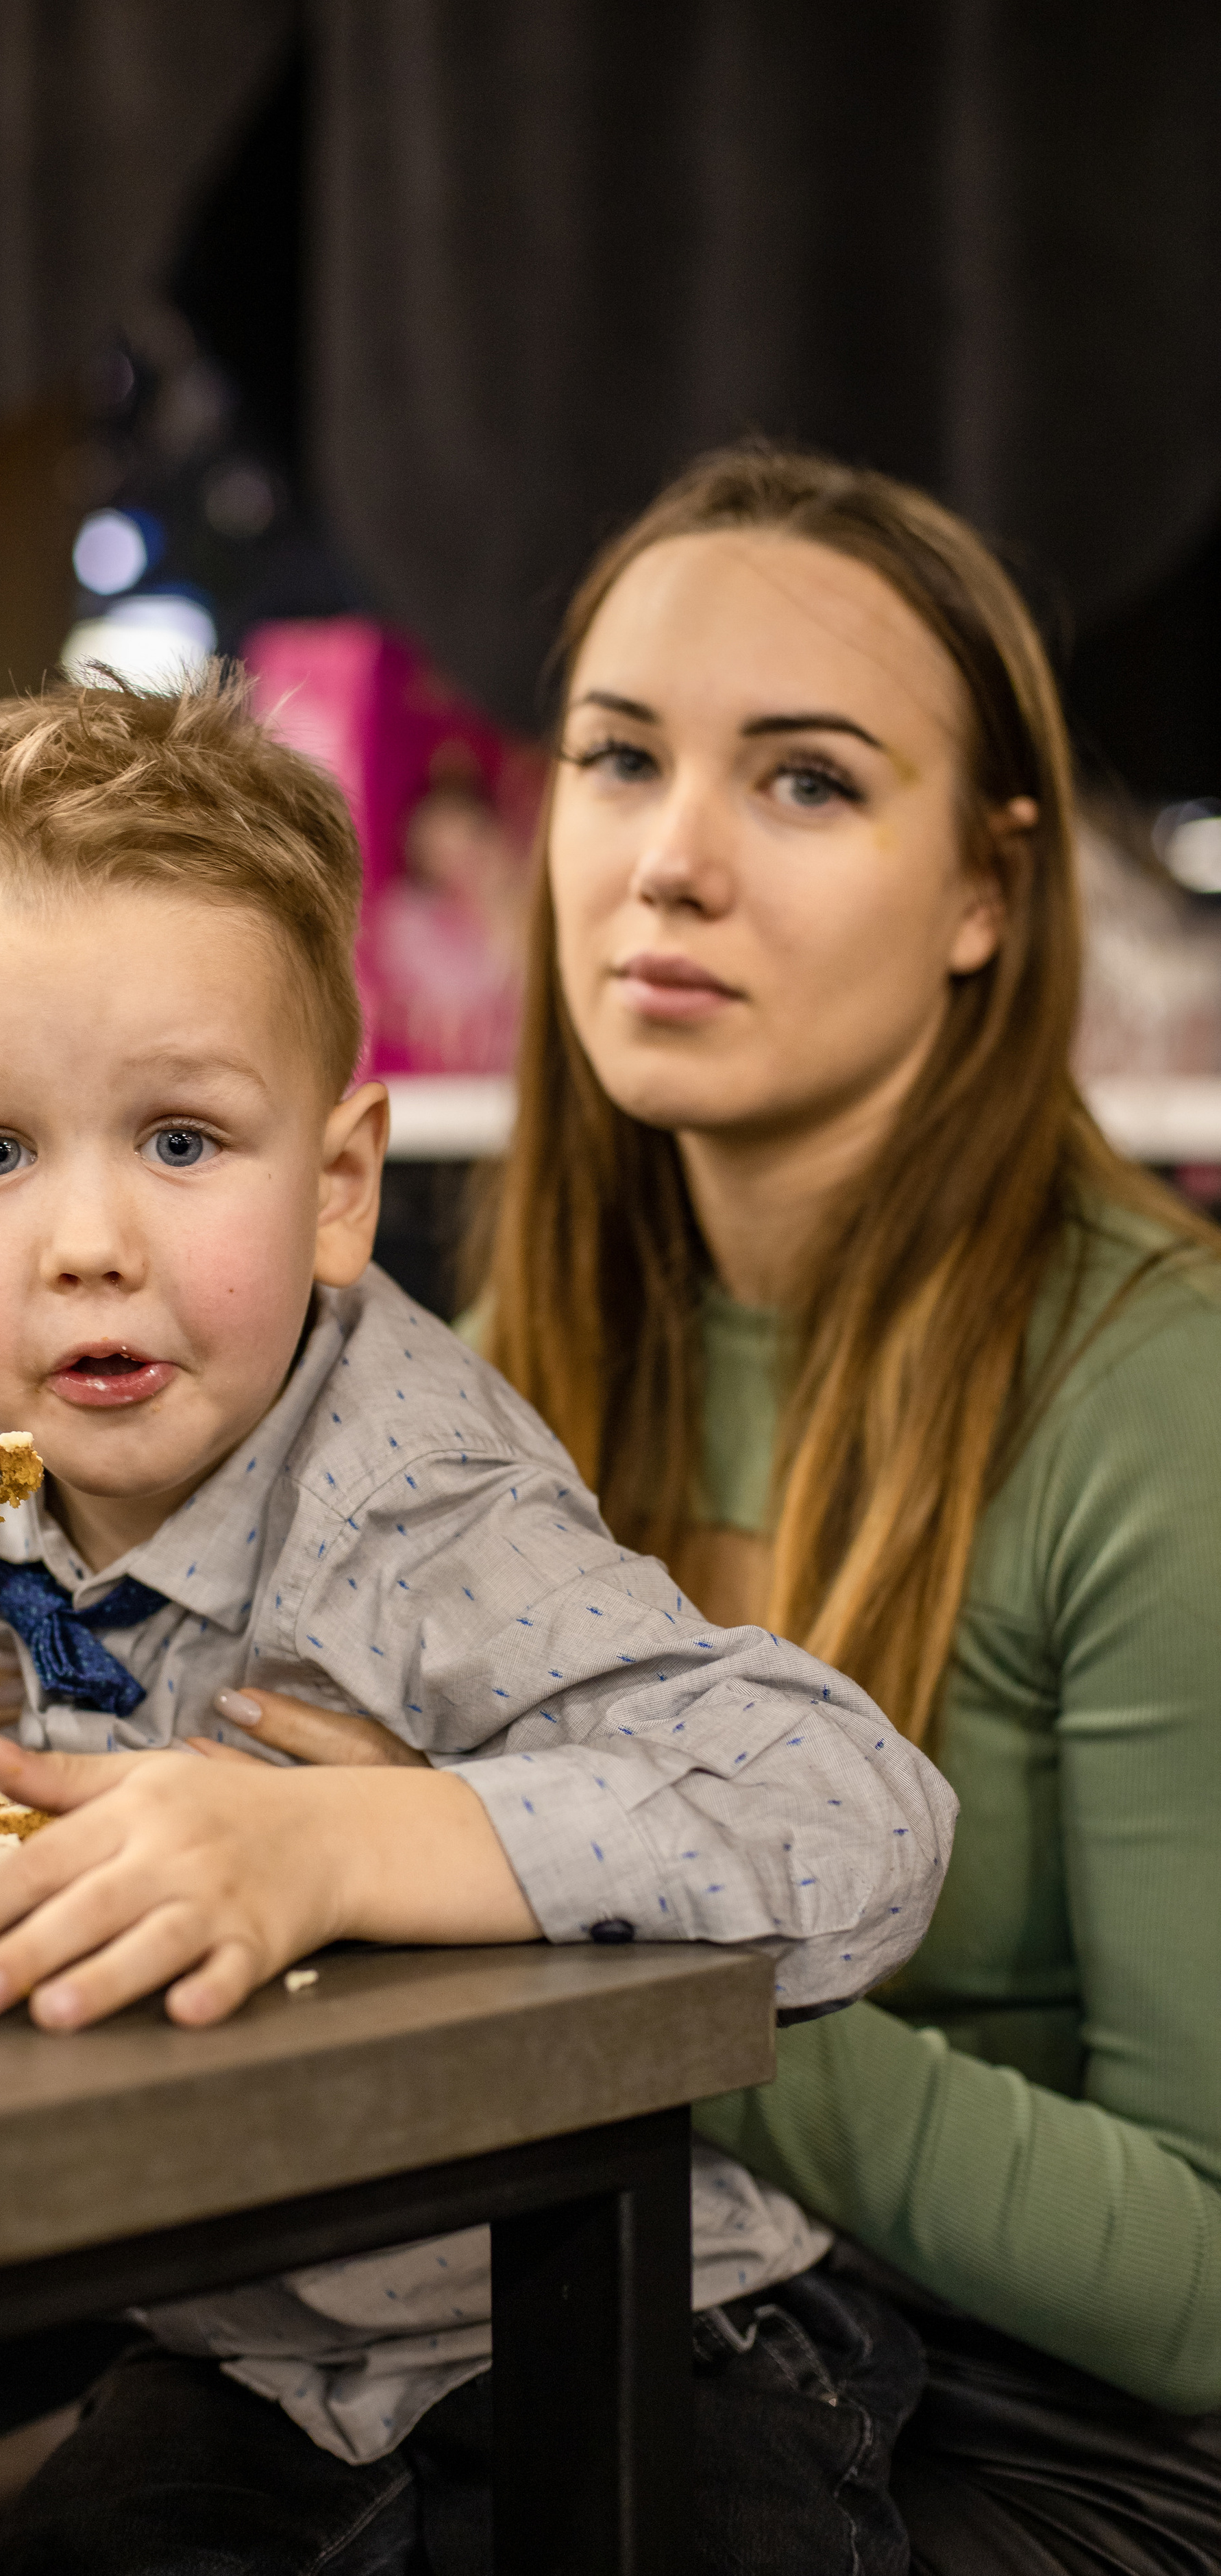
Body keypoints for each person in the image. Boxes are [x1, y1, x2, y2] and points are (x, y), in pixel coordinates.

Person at [0, 670, 954, 2571]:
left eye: (181, 1140)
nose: (90, 1242)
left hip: (637, 2308)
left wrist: (341, 1843)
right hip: (248, 2345)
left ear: (337, 1185)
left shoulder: (416, 1504)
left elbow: (862, 1817)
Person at [211, 445, 1221, 2571]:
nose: (669, 861)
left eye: (807, 782)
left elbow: (1201, 2282)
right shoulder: (500, 1355)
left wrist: (576, 1912)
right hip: (619, 2326)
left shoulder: (1162, 1398)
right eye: (617, 758)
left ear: (988, 891)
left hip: (1064, 2451)